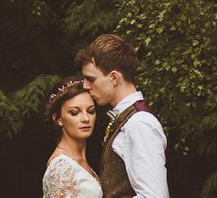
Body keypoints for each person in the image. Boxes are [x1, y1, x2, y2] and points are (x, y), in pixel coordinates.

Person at [76, 34, 169, 198]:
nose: (85, 85)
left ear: (114, 78)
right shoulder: (127, 120)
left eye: (91, 79)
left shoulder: (140, 123)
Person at [43, 76, 103, 198]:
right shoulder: (61, 166)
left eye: (91, 111)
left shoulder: (80, 160)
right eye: (75, 113)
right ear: (58, 119)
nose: (86, 119)